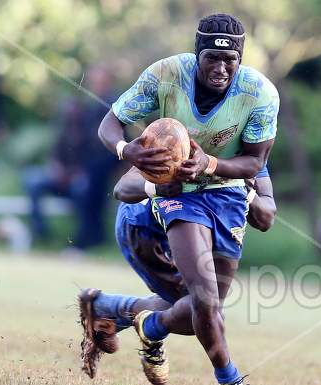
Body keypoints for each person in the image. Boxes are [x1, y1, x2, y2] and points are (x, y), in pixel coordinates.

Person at [83, 13, 279, 385]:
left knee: (203, 313)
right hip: (174, 203)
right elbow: (120, 173)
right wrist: (129, 152)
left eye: (229, 61)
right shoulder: (166, 103)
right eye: (212, 59)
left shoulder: (259, 97)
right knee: (204, 303)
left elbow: (259, 180)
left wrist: (238, 187)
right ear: (197, 56)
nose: (220, 68)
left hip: (226, 200)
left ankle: (136, 321)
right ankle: (229, 378)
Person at [79, 165, 276, 382]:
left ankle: (109, 311)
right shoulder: (184, 138)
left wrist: (245, 190)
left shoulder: (251, 152)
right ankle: (228, 377)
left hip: (183, 228)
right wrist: (155, 185)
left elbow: (266, 218)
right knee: (206, 311)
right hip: (147, 228)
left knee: (206, 310)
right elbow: (124, 185)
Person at [23, 65, 121, 252]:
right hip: (73, 173)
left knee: (85, 191)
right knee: (32, 179)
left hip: (91, 170)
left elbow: (96, 149)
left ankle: (86, 239)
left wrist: (75, 172)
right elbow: (53, 155)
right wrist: (57, 169)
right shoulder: (65, 129)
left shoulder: (104, 108)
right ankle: (43, 235)